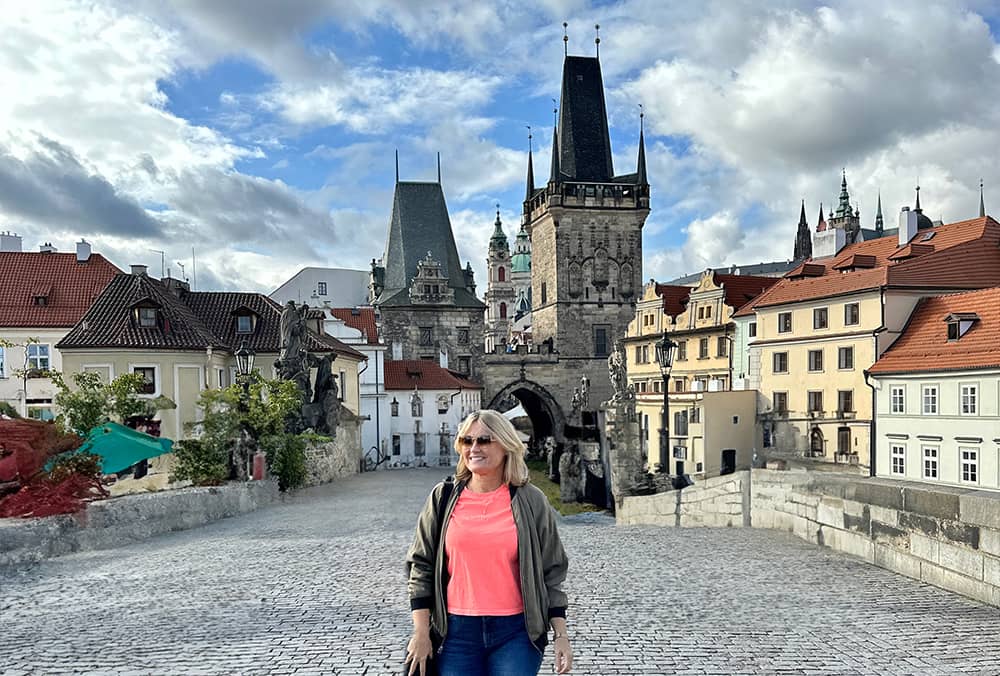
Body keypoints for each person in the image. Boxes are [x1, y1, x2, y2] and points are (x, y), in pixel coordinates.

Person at [406, 410, 573, 676]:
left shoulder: (531, 500)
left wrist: (561, 635)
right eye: (466, 441)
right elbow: (421, 567)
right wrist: (421, 632)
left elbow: (552, 571)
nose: (474, 448)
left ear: (507, 445)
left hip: (517, 632)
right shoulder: (443, 498)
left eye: (484, 440)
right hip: (455, 633)